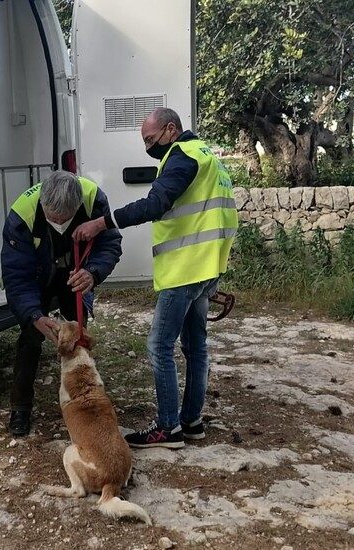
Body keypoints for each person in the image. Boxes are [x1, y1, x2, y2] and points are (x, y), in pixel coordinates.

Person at [73, 107, 238, 449]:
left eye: (150, 139)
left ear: (170, 129)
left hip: (186, 268)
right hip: (208, 267)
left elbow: (156, 204)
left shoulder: (181, 157)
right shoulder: (206, 155)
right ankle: (191, 422)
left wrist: (103, 222)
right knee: (195, 347)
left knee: (159, 346)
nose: (148, 147)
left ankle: (167, 428)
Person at [1, 170, 122, 437]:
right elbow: (16, 275)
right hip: (36, 277)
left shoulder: (92, 199)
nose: (57, 223)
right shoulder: (22, 216)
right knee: (31, 338)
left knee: (78, 333)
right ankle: (20, 407)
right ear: (43, 204)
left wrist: (93, 272)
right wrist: (34, 315)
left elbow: (110, 243)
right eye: (52, 218)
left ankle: (84, 397)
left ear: (76, 207)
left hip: (76, 273)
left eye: (63, 219)